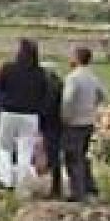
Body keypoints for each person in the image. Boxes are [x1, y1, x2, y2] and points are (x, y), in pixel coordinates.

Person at [0, 38, 53, 195]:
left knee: (3, 147)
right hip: (31, 116)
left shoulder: (8, 68)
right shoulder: (40, 73)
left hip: (9, 113)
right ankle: (22, 185)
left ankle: (5, 179)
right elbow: (45, 95)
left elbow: (0, 88)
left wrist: (1, 104)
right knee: (25, 151)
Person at [61, 46, 108, 203]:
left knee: (73, 158)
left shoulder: (73, 78)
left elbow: (68, 100)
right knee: (82, 155)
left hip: (74, 122)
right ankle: (90, 188)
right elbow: (103, 94)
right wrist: (92, 105)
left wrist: (65, 116)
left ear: (77, 58)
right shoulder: (93, 77)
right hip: (88, 120)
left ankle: (78, 192)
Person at [40, 60, 66, 198]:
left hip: (51, 124)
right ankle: (55, 186)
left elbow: (47, 106)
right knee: (54, 154)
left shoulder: (50, 85)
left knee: (53, 155)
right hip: (58, 123)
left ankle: (55, 188)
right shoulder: (60, 84)